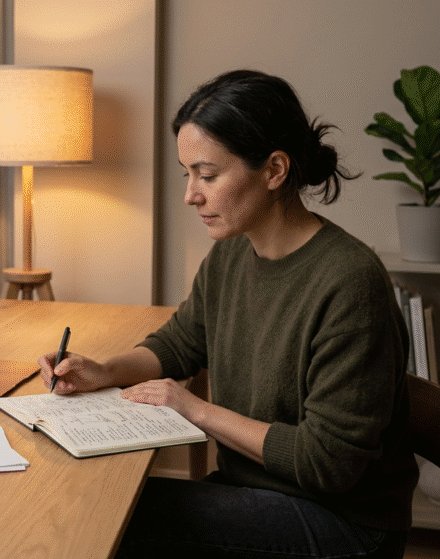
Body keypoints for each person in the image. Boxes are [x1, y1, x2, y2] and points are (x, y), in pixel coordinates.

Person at [39, 70, 418, 559]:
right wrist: (106, 371)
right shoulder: (233, 253)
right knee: (103, 500)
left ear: (274, 170)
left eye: (208, 175)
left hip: (342, 522)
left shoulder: (349, 282)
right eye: (188, 174)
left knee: (113, 519)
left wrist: (194, 410)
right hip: (257, 491)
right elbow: (180, 344)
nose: (190, 195)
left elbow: (328, 463)